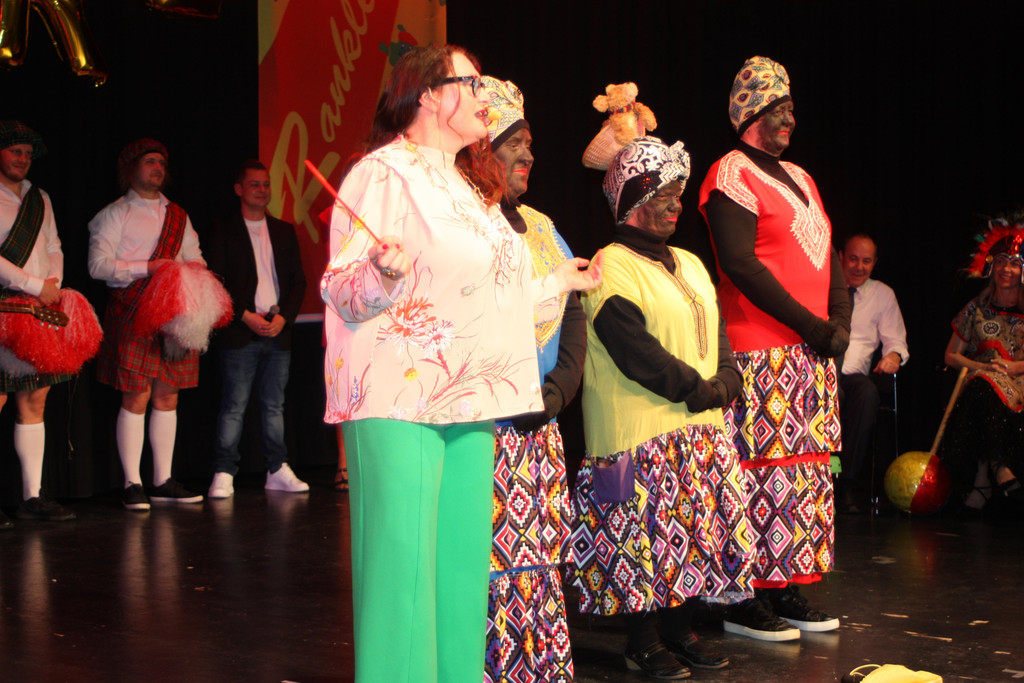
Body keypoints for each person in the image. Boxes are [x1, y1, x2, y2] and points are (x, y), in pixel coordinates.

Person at [320, 46, 600, 683]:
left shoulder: (468, 186)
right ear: (427, 94)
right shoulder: (384, 173)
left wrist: (556, 283)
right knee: (403, 576)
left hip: (473, 398)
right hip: (400, 398)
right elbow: (341, 286)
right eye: (471, 83)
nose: (484, 95)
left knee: (460, 574)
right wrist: (379, 274)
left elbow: (484, 296)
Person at [572, 135, 753, 680]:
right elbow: (634, 350)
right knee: (641, 545)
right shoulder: (611, 265)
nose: (678, 204)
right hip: (639, 434)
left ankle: (679, 630)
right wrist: (699, 390)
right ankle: (642, 640)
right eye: (665, 194)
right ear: (633, 199)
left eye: (679, 193)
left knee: (690, 538)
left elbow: (716, 330)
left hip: (699, 429)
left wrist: (726, 377)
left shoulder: (691, 262)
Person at [699, 55, 849, 640]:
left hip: (808, 357)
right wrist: (813, 326)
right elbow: (739, 264)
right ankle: (741, 597)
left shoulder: (803, 177)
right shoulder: (730, 172)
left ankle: (783, 588)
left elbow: (830, 254)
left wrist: (839, 321)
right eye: (779, 108)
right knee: (756, 475)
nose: (790, 118)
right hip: (758, 352)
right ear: (752, 112)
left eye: (791, 108)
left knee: (800, 477)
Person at [479, 77, 585, 683]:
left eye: (530, 143)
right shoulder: (467, 226)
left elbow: (574, 310)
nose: (527, 154)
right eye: (513, 142)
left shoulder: (543, 226)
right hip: (483, 430)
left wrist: (557, 391)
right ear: (480, 148)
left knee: (537, 566)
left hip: (538, 428)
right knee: (486, 564)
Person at [88, 139, 206, 510]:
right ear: (130, 168)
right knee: (135, 397)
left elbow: (195, 257)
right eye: (149, 161)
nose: (157, 168)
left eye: (161, 163)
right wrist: (148, 268)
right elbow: (98, 266)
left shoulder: (179, 215)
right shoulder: (114, 214)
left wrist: (189, 273)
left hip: (173, 314)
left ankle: (162, 480)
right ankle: (132, 483)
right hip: (132, 311)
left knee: (168, 396)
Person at [205, 160, 308, 498]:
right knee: (234, 405)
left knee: (274, 405)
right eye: (254, 184)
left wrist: (284, 318)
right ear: (239, 189)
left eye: (266, 184)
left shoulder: (283, 230)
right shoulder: (224, 230)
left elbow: (298, 282)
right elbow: (215, 282)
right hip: (240, 331)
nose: (262, 190)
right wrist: (244, 315)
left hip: (277, 331)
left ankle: (277, 469)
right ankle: (224, 471)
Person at [0, 121, 75, 526]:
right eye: (15, 151)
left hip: (36, 309)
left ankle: (32, 496)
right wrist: (33, 284)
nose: (22, 159)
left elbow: (53, 245)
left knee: (35, 400)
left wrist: (53, 284)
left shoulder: (39, 197)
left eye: (28, 154)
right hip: (3, 306)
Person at [938, 220, 1024, 522]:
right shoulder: (976, 308)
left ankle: (983, 482)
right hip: (981, 380)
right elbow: (951, 355)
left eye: (1014, 263)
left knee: (984, 389)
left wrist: (1014, 367)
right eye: (1000, 261)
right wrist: (982, 366)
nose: (1006, 269)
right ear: (991, 266)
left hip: (1019, 381)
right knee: (982, 386)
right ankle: (999, 469)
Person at [837, 233, 909, 513]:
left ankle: (845, 483)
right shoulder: (825, 286)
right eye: (853, 259)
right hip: (820, 372)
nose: (859, 267)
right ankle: (824, 476)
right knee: (831, 394)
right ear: (841, 257)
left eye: (866, 261)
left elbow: (896, 341)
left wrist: (893, 356)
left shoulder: (882, 294)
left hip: (854, 376)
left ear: (874, 263)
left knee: (867, 394)